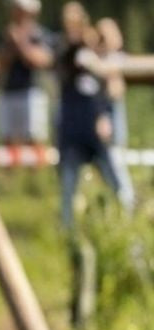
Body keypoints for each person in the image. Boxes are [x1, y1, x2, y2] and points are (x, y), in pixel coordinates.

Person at [55, 2, 129, 228]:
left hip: (96, 132)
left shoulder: (95, 56)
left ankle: (126, 226)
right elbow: (64, 60)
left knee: (116, 184)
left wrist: (103, 116)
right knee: (69, 187)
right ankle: (68, 234)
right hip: (72, 132)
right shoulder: (65, 53)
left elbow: (108, 90)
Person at [0, 0, 54, 145]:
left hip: (32, 92)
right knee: (8, 141)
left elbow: (42, 61)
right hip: (8, 91)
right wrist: (11, 46)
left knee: (34, 140)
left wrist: (20, 43)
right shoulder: (7, 34)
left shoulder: (39, 34)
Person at [94, 16, 135, 212]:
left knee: (117, 167)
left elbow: (116, 91)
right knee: (104, 169)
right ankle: (115, 209)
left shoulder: (117, 60)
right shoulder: (95, 60)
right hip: (96, 122)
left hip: (112, 122)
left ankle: (126, 208)